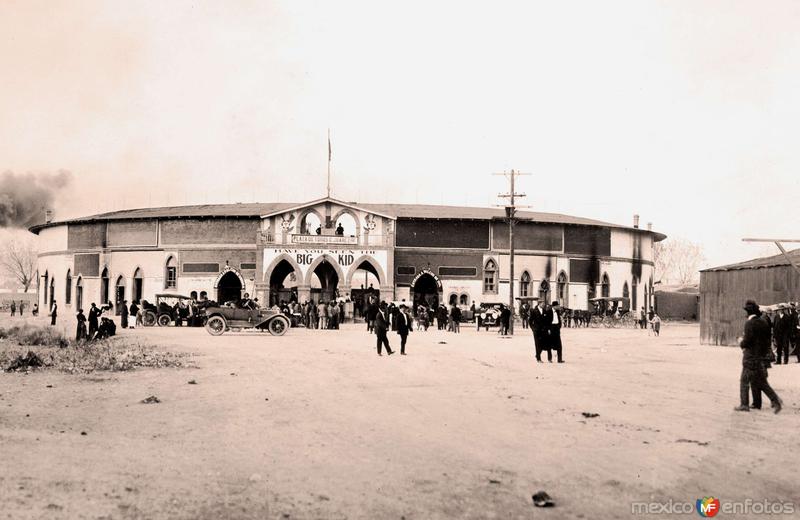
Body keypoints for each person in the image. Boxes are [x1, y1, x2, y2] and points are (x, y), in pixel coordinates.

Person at [735, 300, 782, 413]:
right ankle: (776, 400)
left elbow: (747, 341)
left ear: (748, 313)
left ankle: (744, 404)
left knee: (744, 381)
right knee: (761, 382)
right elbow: (767, 341)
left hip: (750, 357)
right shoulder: (763, 322)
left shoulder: (749, 323)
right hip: (760, 357)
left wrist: (740, 341)